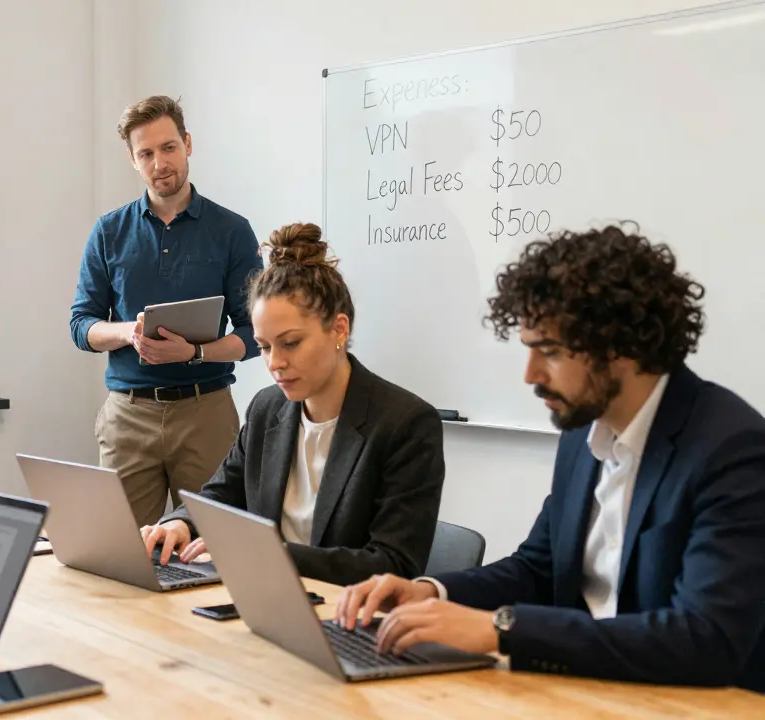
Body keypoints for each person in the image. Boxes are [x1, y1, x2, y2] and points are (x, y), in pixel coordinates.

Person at [335, 224, 765, 691]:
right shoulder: (583, 433)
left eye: (551, 352)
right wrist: (430, 592)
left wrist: (503, 631)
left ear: (620, 347)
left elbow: (705, 639)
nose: (530, 374)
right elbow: (538, 569)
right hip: (588, 689)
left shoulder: (731, 449)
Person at [140, 223, 445, 585]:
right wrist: (180, 522)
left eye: (291, 343)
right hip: (267, 601)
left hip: (345, 617)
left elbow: (394, 564)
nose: (274, 363)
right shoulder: (267, 408)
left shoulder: (405, 423)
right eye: (265, 346)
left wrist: (268, 555)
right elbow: (223, 492)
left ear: (339, 329)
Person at [70, 94, 263, 526]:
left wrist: (194, 354)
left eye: (169, 147)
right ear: (133, 160)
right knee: (119, 552)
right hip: (127, 415)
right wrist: (128, 333)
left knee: (212, 547)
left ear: (188, 144)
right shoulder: (109, 231)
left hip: (206, 413)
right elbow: (81, 325)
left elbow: (255, 333)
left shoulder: (232, 231)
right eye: (147, 153)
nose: (160, 163)